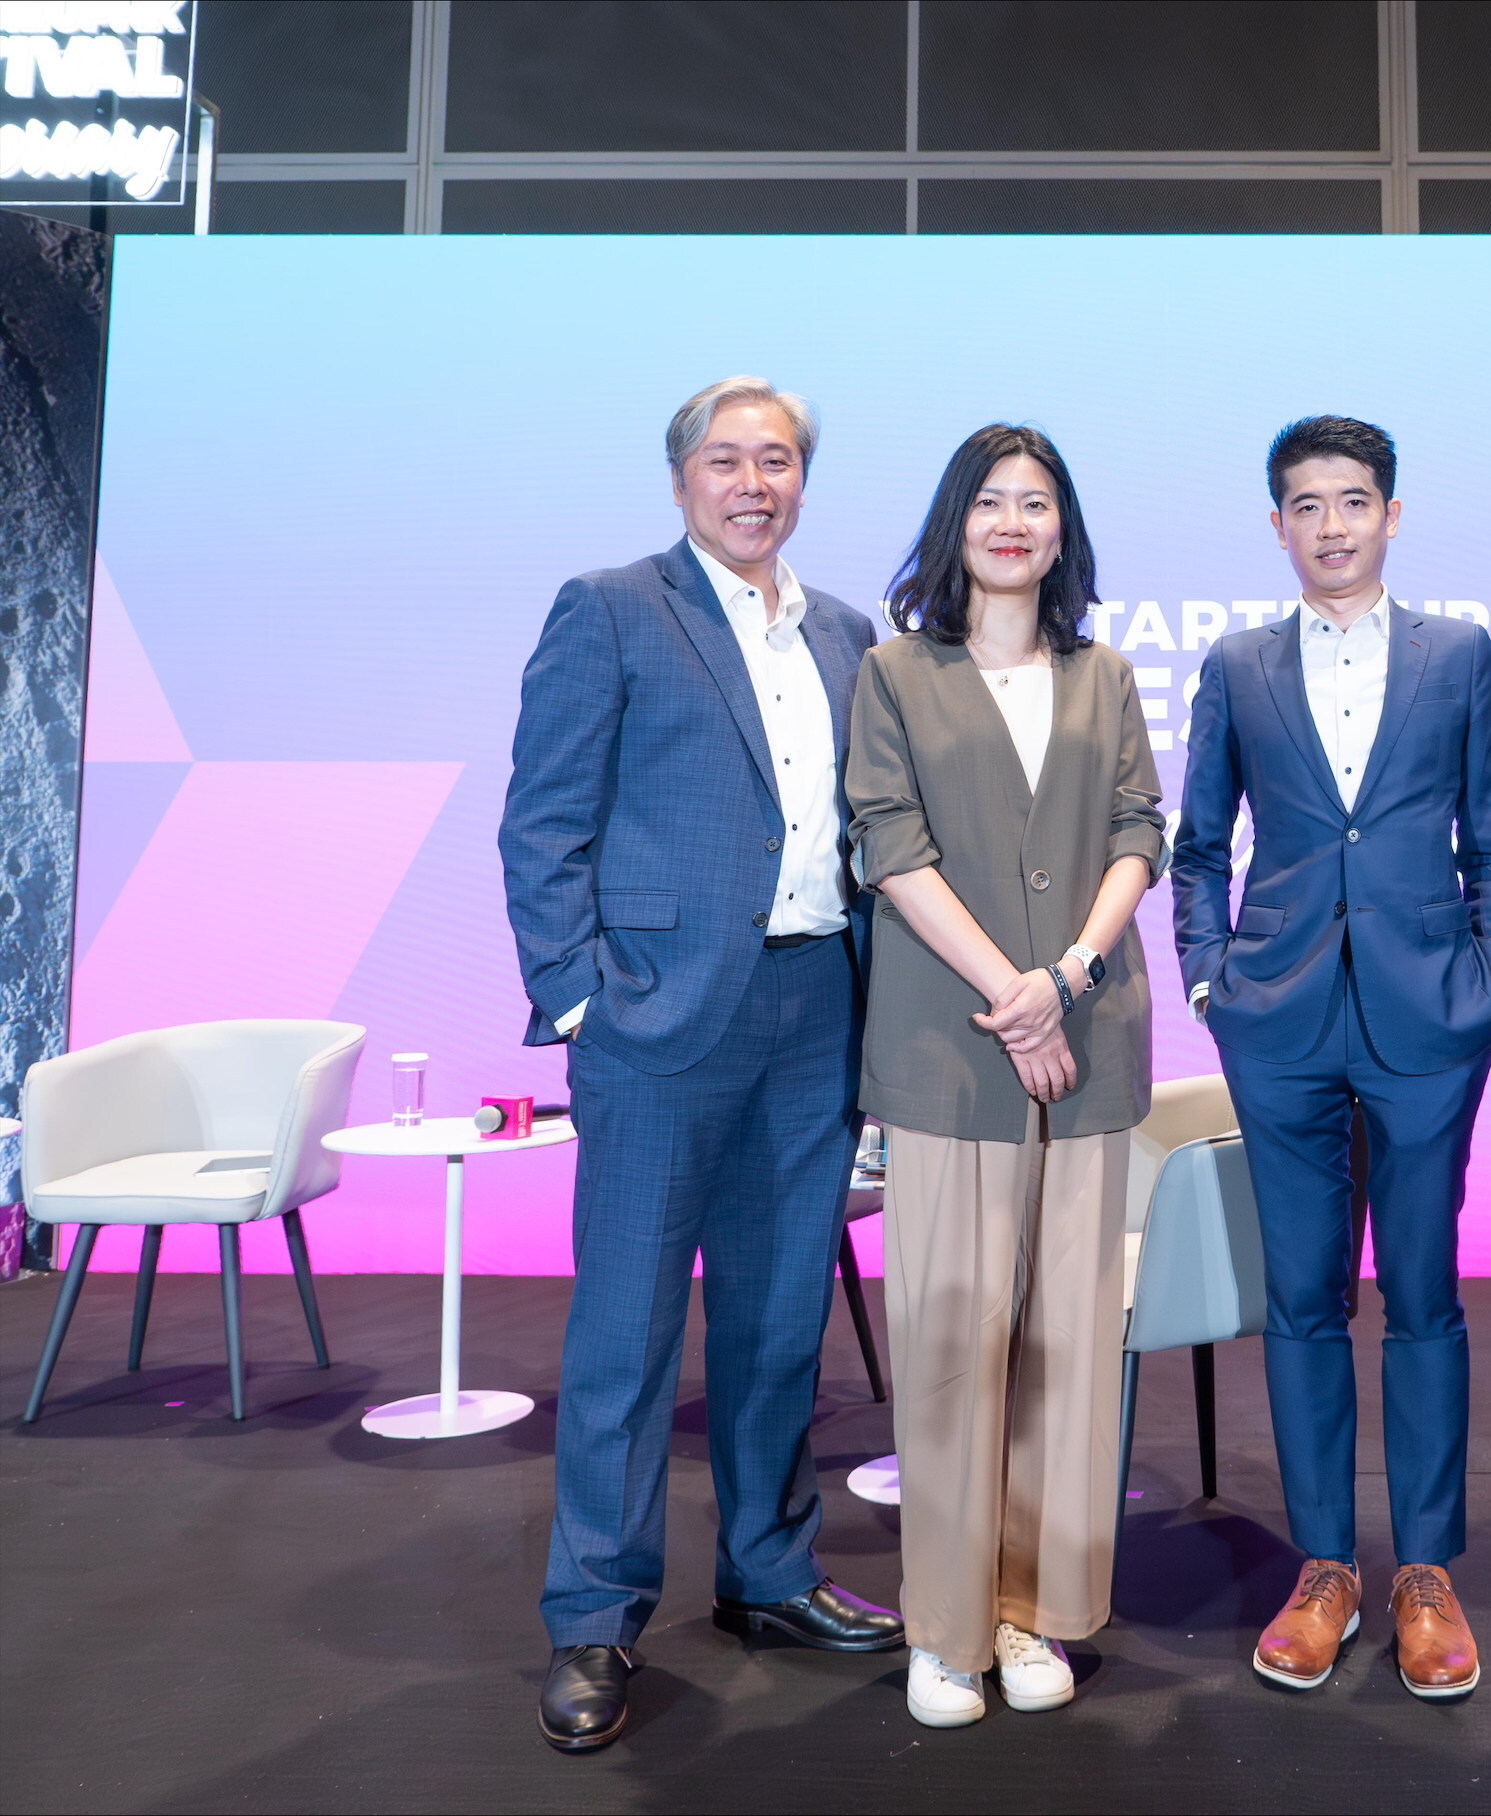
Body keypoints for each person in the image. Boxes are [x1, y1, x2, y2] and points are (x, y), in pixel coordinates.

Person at [500, 376, 903, 1755]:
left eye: (775, 460)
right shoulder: (611, 607)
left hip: (815, 1008)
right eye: (725, 460)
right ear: (681, 481)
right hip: (656, 1022)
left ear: (803, 481)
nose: (751, 483)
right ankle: (596, 1613)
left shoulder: (845, 631)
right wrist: (576, 1003)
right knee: (626, 1335)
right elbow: (542, 821)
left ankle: (770, 1572)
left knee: (780, 1319)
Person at [1172, 416, 1491, 1701]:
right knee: (1302, 1298)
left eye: (1354, 500)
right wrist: (1209, 978)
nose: (1332, 525)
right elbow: (1197, 845)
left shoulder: (1458, 655)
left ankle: (1424, 1570)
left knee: (1423, 1293)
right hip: (1278, 1019)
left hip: (1429, 1017)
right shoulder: (1235, 664)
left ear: (1391, 514)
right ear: (1277, 525)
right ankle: (1323, 1566)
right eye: (1307, 505)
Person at [846, 424, 1165, 1730]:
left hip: (1088, 1044)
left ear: (1061, 529)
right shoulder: (893, 673)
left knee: (1066, 1349)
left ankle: (1034, 1611)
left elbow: (1138, 830)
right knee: (950, 1345)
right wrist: (1013, 994)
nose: (1013, 522)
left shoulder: (1105, 674)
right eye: (990, 500)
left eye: (1036, 502)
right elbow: (888, 845)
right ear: (954, 522)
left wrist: (1068, 977)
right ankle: (945, 1628)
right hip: (950, 1049)